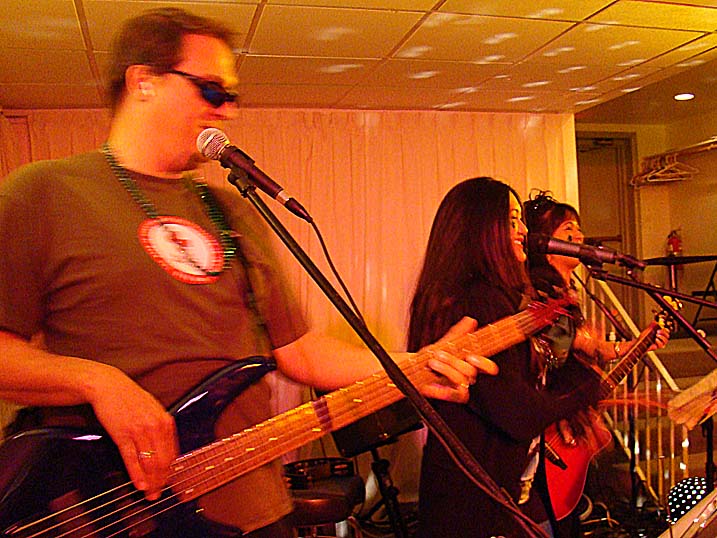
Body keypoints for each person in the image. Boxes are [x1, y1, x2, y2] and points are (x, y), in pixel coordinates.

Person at [0, 8, 496, 537]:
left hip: (255, 508)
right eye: (212, 90)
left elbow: (299, 353)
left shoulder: (231, 211)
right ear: (144, 81)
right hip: (120, 515)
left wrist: (412, 366)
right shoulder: (44, 193)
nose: (228, 110)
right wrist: (99, 382)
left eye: (232, 96)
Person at [408, 177, 603, 538]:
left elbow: (542, 370)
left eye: (521, 221)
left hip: (505, 494)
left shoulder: (505, 295)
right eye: (511, 221)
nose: (522, 231)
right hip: (476, 506)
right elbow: (518, 410)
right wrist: (588, 388)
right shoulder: (479, 301)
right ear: (482, 230)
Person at [523, 190, 670, 537]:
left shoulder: (568, 290)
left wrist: (637, 344)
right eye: (568, 230)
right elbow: (552, 350)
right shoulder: (536, 290)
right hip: (549, 433)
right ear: (545, 243)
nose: (579, 236)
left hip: (570, 425)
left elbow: (593, 348)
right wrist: (585, 342)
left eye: (579, 229)